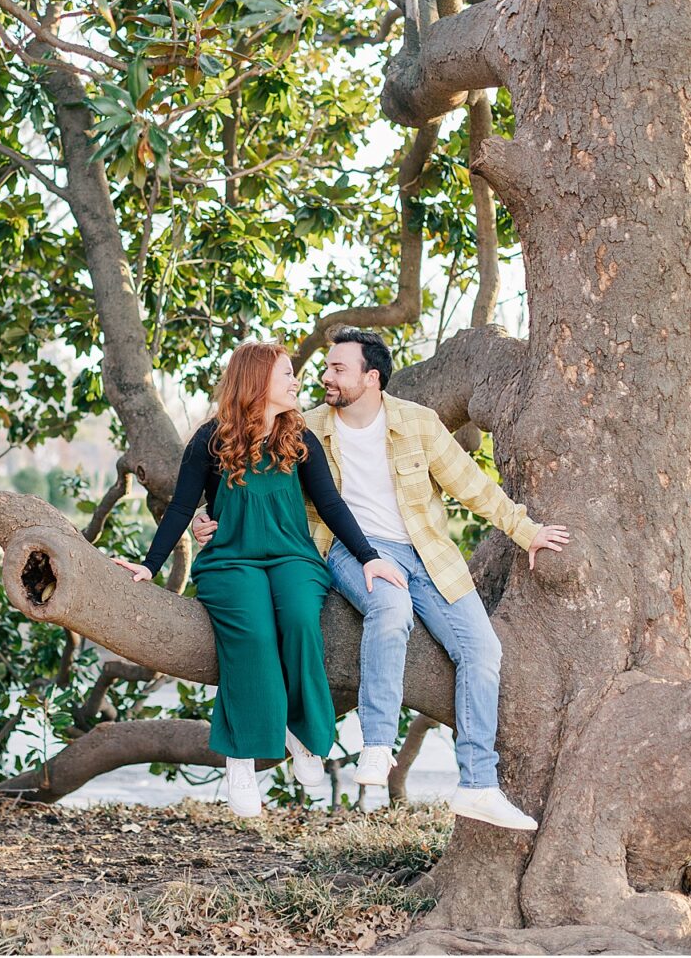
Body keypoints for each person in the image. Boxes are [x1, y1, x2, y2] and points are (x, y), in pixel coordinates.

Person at [192, 328, 568, 830]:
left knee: (484, 651)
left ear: (371, 378)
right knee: (391, 612)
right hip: (352, 552)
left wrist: (528, 531)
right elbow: (253, 482)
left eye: (337, 369)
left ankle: (478, 784)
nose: (324, 376)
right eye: (324, 367)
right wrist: (208, 516)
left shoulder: (418, 424)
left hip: (428, 553)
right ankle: (375, 746)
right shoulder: (304, 427)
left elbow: (473, 486)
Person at [112, 341, 407, 818]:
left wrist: (369, 557)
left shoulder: (300, 438)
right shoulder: (210, 440)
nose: (297, 382)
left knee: (299, 622)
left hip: (293, 558)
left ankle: (305, 735)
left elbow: (330, 506)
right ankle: (241, 760)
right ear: (257, 382)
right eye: (288, 374)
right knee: (251, 635)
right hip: (232, 561)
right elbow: (183, 507)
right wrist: (149, 563)